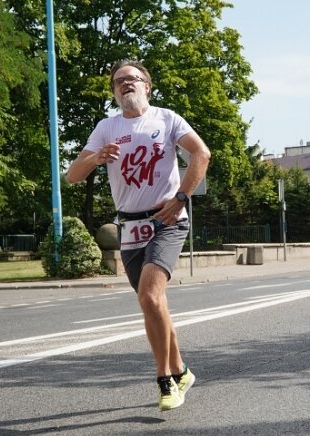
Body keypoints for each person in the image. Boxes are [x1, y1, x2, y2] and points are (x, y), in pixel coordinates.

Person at [66, 60, 210, 411]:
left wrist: (180, 200)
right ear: (114, 92)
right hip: (129, 226)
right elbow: (72, 176)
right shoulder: (106, 127)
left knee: (149, 296)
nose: (125, 84)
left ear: (147, 85)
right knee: (154, 302)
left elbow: (201, 154)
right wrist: (96, 158)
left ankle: (167, 381)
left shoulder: (166, 118)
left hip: (167, 220)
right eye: (118, 82)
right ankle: (182, 369)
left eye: (132, 79)